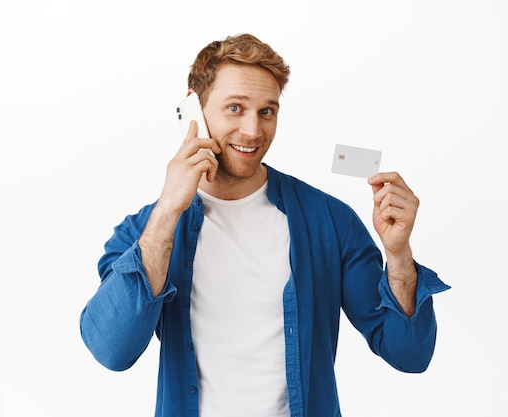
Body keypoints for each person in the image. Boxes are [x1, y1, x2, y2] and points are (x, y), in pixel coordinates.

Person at [79, 33, 449, 417]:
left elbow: (409, 354)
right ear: (194, 110)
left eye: (267, 112)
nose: (254, 131)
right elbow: (111, 350)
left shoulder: (330, 222)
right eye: (235, 108)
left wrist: (399, 254)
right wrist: (169, 211)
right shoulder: (145, 231)